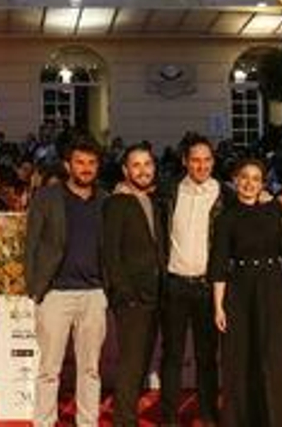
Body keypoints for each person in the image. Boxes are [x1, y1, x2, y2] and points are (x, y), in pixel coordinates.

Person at [208, 158, 282, 427]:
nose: (249, 183)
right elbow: (218, 263)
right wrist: (219, 306)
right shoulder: (226, 217)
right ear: (236, 180)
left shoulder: (275, 211)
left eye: (256, 178)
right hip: (239, 290)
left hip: (272, 287)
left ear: (262, 184)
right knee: (242, 356)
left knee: (275, 354)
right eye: (244, 177)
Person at [24, 137, 107, 427]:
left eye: (92, 163)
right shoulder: (47, 198)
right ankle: (44, 422)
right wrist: (35, 289)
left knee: (91, 369)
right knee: (49, 368)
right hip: (55, 293)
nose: (86, 168)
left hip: (95, 294)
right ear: (67, 165)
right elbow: (31, 243)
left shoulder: (105, 200)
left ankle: (87, 422)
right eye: (80, 162)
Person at [159, 135, 223, 426]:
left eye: (207, 160)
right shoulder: (168, 192)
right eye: (195, 160)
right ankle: (169, 418)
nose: (201, 166)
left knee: (207, 357)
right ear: (185, 161)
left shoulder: (225, 195)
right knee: (171, 356)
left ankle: (209, 415)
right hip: (174, 285)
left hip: (208, 288)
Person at [102, 143, 165, 427]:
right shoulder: (117, 202)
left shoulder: (155, 200)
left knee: (140, 362)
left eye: (147, 164)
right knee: (130, 363)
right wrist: (123, 292)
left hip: (156, 292)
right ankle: (124, 421)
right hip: (131, 298)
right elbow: (110, 252)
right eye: (136, 165)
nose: (142, 170)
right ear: (125, 170)